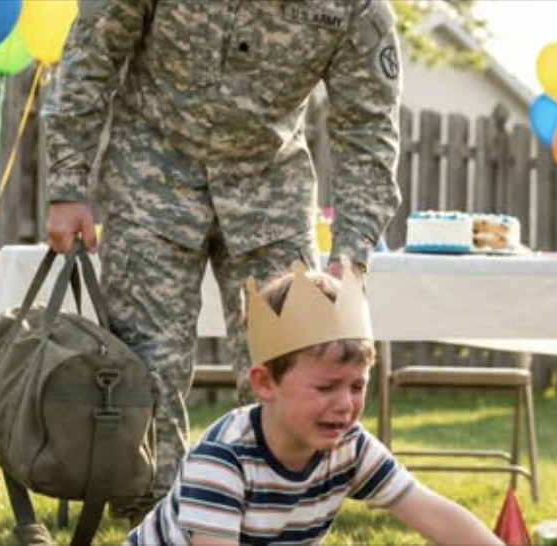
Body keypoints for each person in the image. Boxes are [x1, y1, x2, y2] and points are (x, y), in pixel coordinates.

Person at [41, 0, 403, 521]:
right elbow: (90, 57)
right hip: (152, 175)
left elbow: (368, 127)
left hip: (270, 191)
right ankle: (157, 519)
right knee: (147, 373)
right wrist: (67, 185)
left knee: (292, 368)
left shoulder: (356, 7)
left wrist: (352, 255)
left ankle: (271, 520)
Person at [127, 263, 502, 545]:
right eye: (326, 388)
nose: (345, 404)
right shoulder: (223, 459)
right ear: (264, 383)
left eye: (357, 386)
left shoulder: (349, 447)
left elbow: (436, 516)